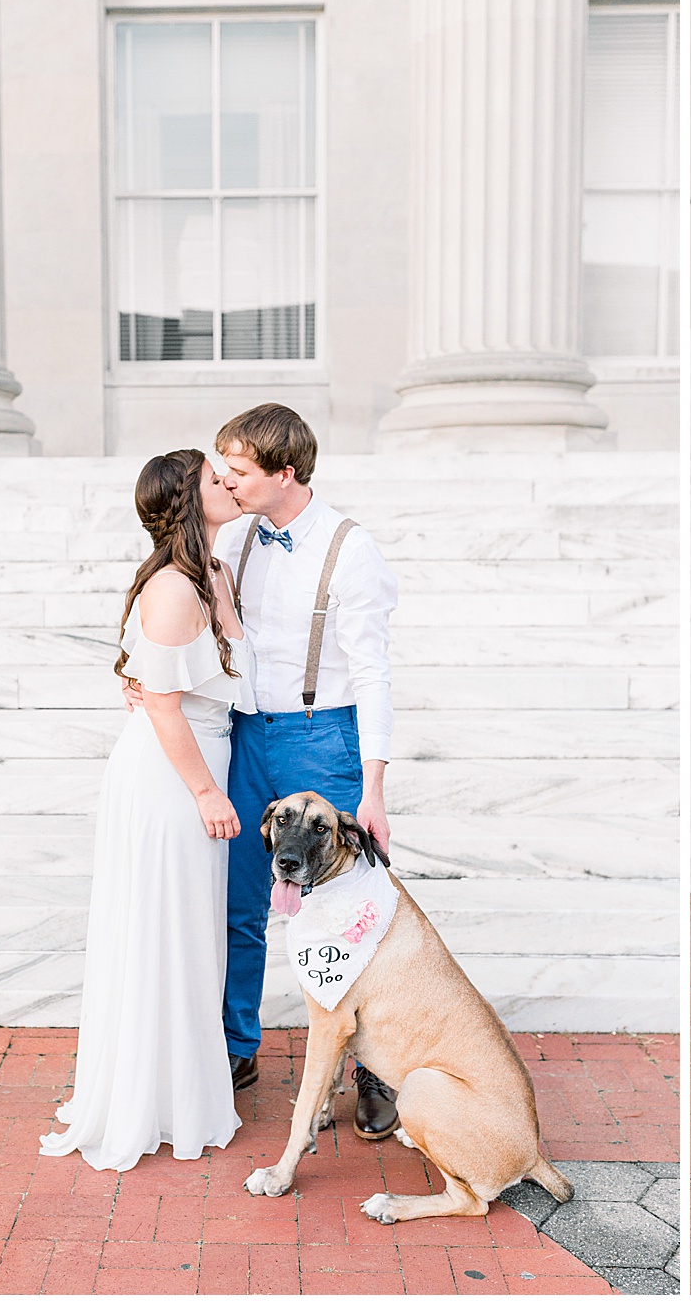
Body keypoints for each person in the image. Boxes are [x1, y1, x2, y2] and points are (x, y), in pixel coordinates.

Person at [42, 449, 255, 1171]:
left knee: (189, 935)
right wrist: (206, 792)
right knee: (163, 931)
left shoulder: (214, 573)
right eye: (215, 478)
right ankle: (148, 1100)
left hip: (201, 760)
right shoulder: (171, 587)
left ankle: (179, 1092)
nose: (229, 483)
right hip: (172, 780)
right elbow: (162, 703)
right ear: (189, 500)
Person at [210, 403, 400, 1138]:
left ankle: (374, 1067)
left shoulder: (350, 548)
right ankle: (237, 1046)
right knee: (240, 898)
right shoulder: (236, 537)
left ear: (285, 473)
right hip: (246, 735)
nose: (227, 481)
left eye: (239, 471)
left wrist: (373, 786)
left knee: (356, 910)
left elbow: (373, 672)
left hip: (324, 739)